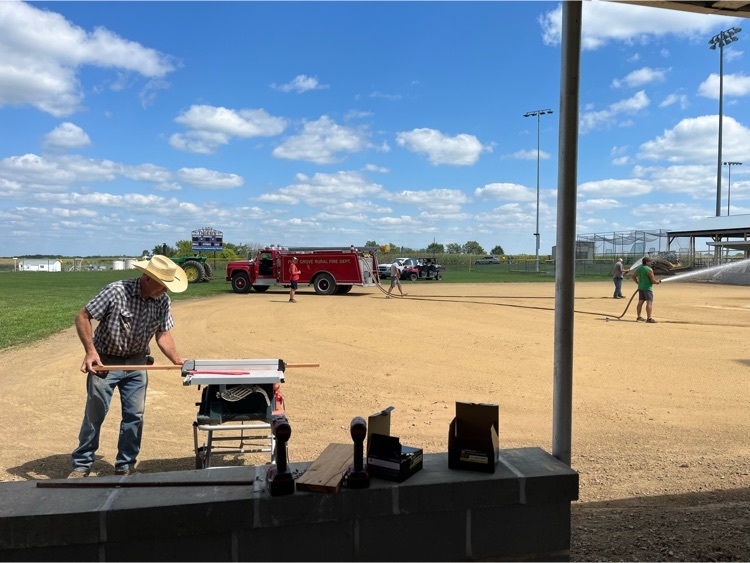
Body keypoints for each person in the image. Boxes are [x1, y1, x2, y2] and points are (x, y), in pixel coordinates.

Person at [69, 255, 188, 478]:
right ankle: (82, 464)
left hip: (138, 364)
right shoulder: (116, 291)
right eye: (164, 285)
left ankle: (125, 464)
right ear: (148, 278)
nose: (166, 290)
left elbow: (163, 333)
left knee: (135, 415)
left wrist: (176, 358)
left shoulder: (162, 301)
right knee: (95, 414)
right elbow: (82, 316)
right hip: (105, 361)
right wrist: (90, 351)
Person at [633, 256, 661, 323]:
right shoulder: (649, 269)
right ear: (646, 262)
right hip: (647, 288)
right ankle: (649, 318)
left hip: (640, 288)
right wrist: (657, 282)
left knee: (640, 302)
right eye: (649, 262)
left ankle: (639, 317)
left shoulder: (639, 269)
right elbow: (652, 281)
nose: (650, 263)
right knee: (649, 303)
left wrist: (638, 283)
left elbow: (633, 276)